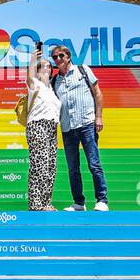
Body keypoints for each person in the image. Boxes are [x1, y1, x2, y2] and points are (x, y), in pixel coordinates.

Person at [50, 44, 109, 211]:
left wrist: (99, 116)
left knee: (93, 164)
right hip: (68, 128)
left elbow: (97, 93)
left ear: (68, 56)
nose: (58, 59)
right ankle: (78, 202)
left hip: (86, 124)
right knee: (72, 168)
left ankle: (102, 200)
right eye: (54, 57)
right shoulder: (55, 80)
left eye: (61, 55)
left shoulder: (83, 70)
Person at [24, 41, 61, 211]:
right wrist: (33, 60)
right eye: (42, 67)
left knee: (51, 166)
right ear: (37, 71)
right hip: (38, 125)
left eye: (48, 67)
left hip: (52, 128)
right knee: (40, 164)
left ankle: (46, 202)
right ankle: (36, 203)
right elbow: (29, 76)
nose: (46, 69)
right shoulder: (35, 86)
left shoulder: (52, 90)